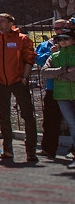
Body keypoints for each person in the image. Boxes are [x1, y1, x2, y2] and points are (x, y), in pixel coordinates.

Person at [0, 13, 37, 163]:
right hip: (0, 82)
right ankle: (7, 149)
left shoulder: (22, 39)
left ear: (11, 23)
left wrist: (25, 77)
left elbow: (29, 58)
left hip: (18, 81)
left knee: (27, 115)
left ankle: (31, 151)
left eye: (2, 21)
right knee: (4, 116)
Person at [40, 27, 75, 170]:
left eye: (65, 38)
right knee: (72, 124)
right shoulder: (54, 56)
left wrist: (59, 76)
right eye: (59, 39)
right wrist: (64, 70)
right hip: (62, 95)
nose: (62, 41)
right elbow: (44, 72)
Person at [35, 19, 69, 159]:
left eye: (61, 28)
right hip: (52, 87)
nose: (58, 31)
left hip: (69, 87)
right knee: (50, 120)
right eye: (55, 28)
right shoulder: (46, 45)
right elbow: (38, 59)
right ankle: (48, 149)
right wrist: (51, 53)